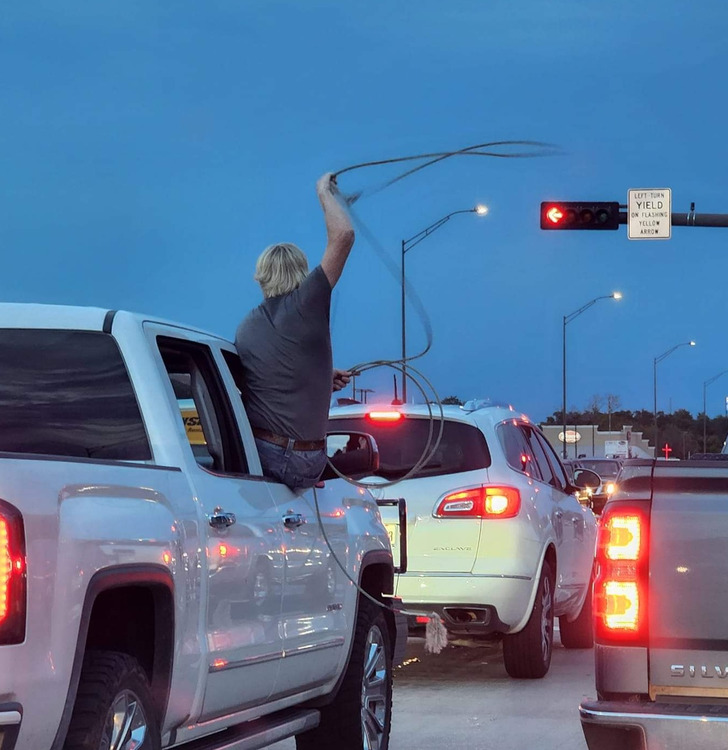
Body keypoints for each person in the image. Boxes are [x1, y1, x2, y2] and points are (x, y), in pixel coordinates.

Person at [235, 172, 354, 490]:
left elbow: (267, 382)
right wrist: (324, 191)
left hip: (262, 454)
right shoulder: (307, 303)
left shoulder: (247, 326)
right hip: (305, 460)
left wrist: (320, 377)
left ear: (260, 278)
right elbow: (343, 236)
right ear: (302, 274)